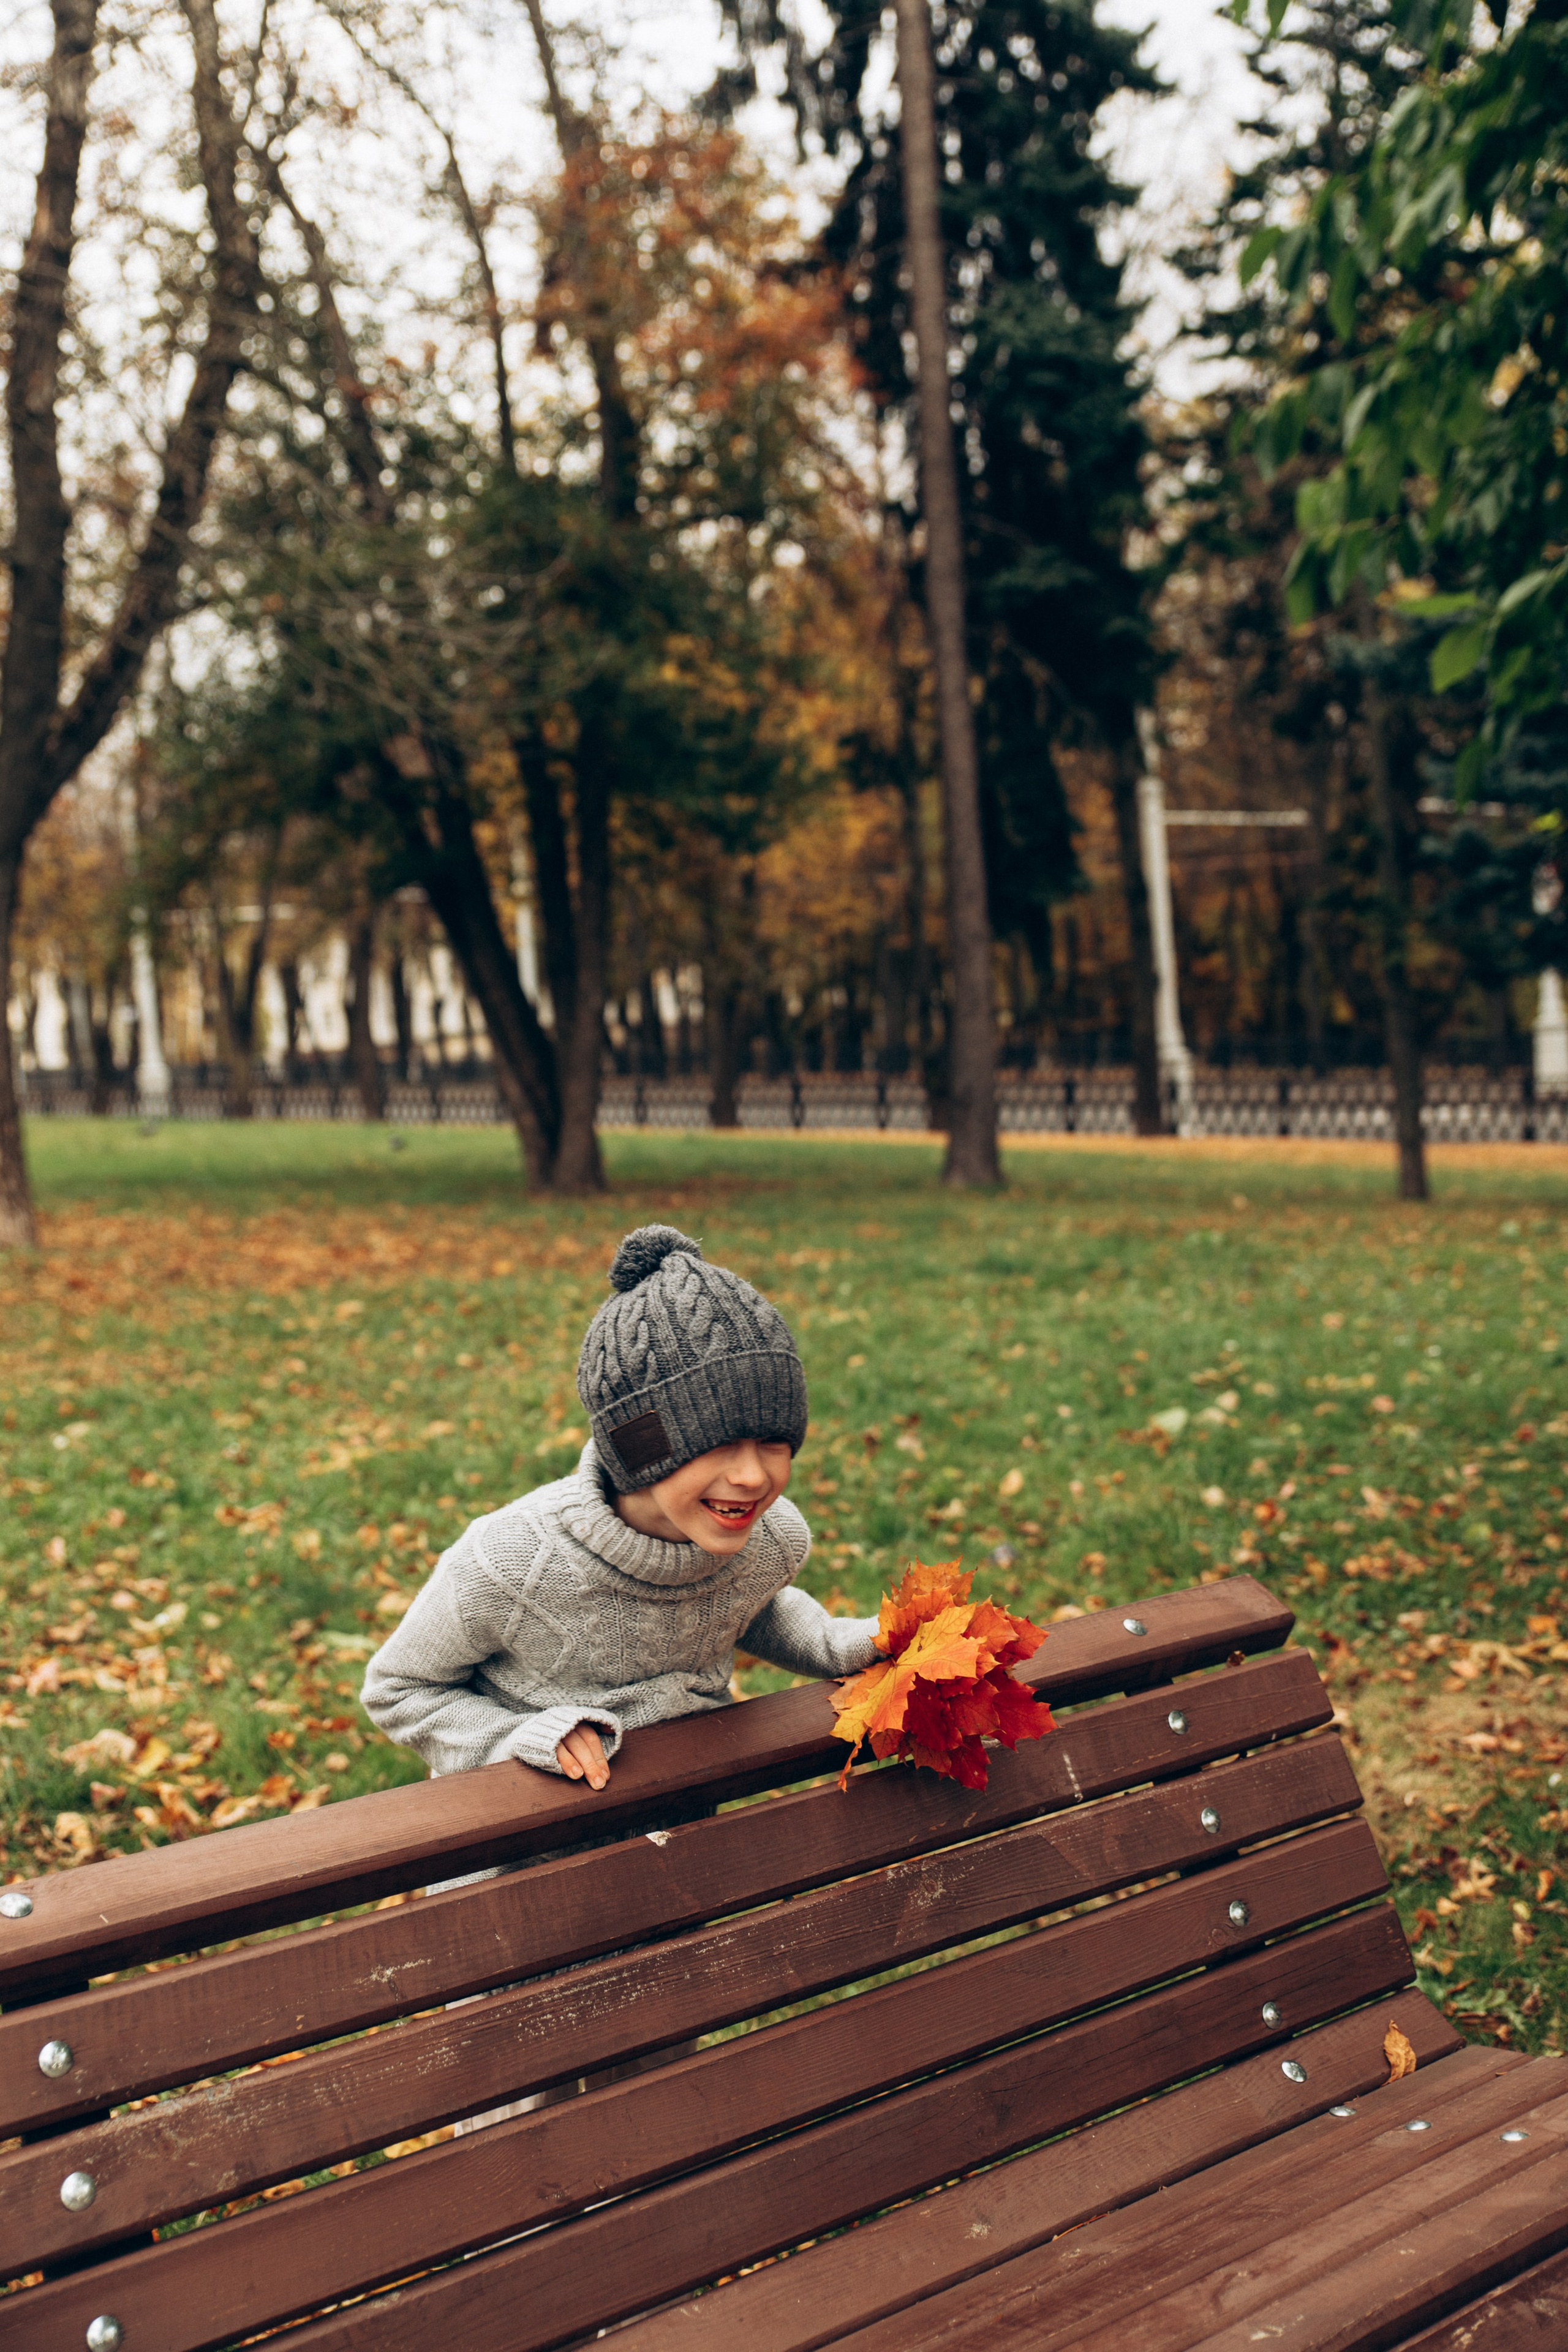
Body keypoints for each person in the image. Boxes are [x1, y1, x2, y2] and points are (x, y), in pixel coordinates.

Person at [361, 1221, 879, 1787]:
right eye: (717, 1443)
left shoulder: (771, 1540)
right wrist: (515, 1739)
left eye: (774, 1441)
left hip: (681, 1814)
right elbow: (399, 1689)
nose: (752, 1476)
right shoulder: (510, 1563)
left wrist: (836, 1645)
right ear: (640, 1448)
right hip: (525, 1831)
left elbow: (747, 1606)